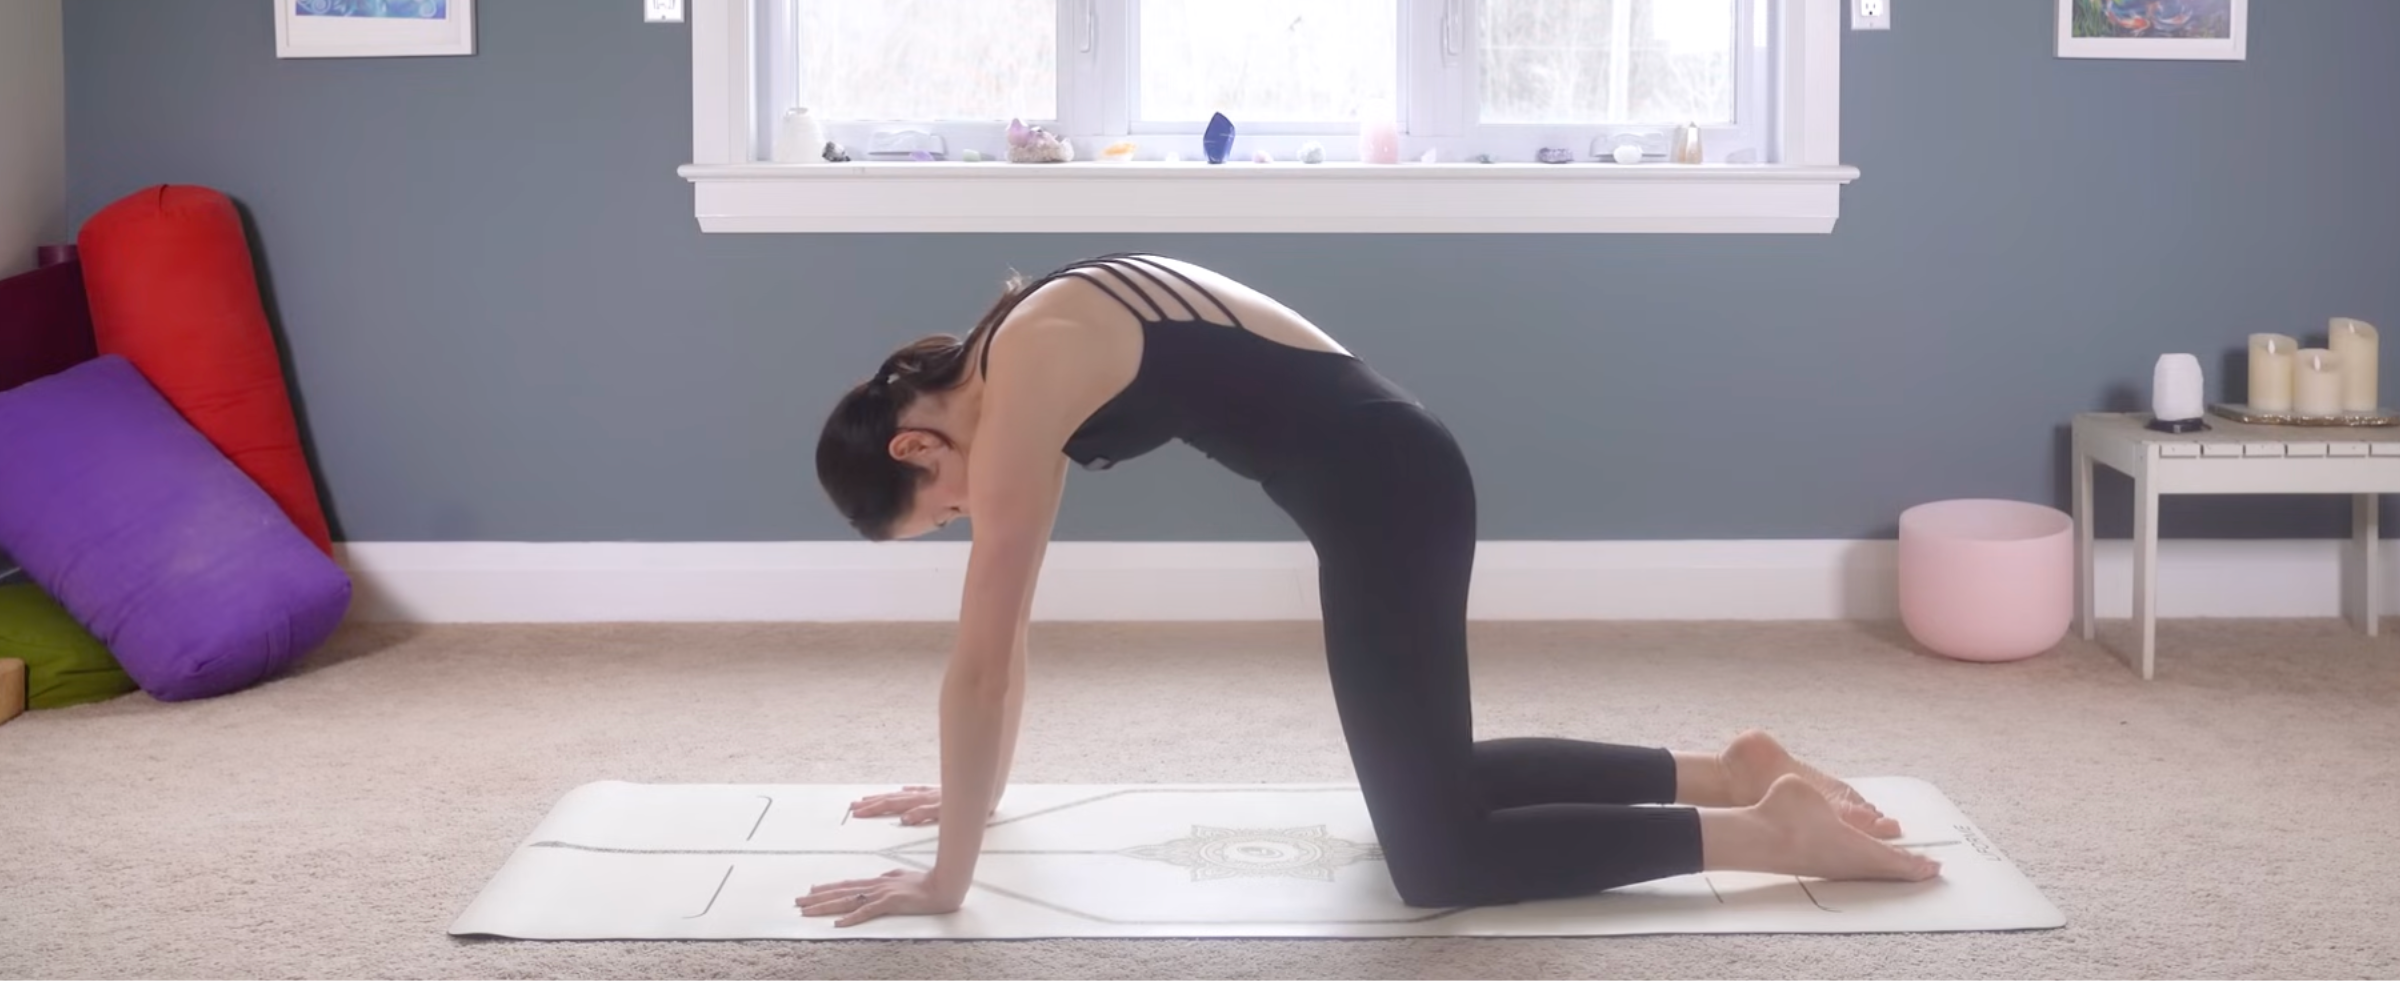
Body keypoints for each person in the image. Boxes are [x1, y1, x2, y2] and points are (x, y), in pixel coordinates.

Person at [797, 253, 1940, 927]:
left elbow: (987, 652)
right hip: (1386, 479)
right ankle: (1727, 767)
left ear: (913, 451)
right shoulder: (1021, 336)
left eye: (940, 512)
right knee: (1432, 788)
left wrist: (947, 884)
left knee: (1437, 862)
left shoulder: (1024, 371)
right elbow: (1004, 649)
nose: (967, 519)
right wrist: (976, 801)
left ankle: (1764, 833)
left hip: (1389, 488)